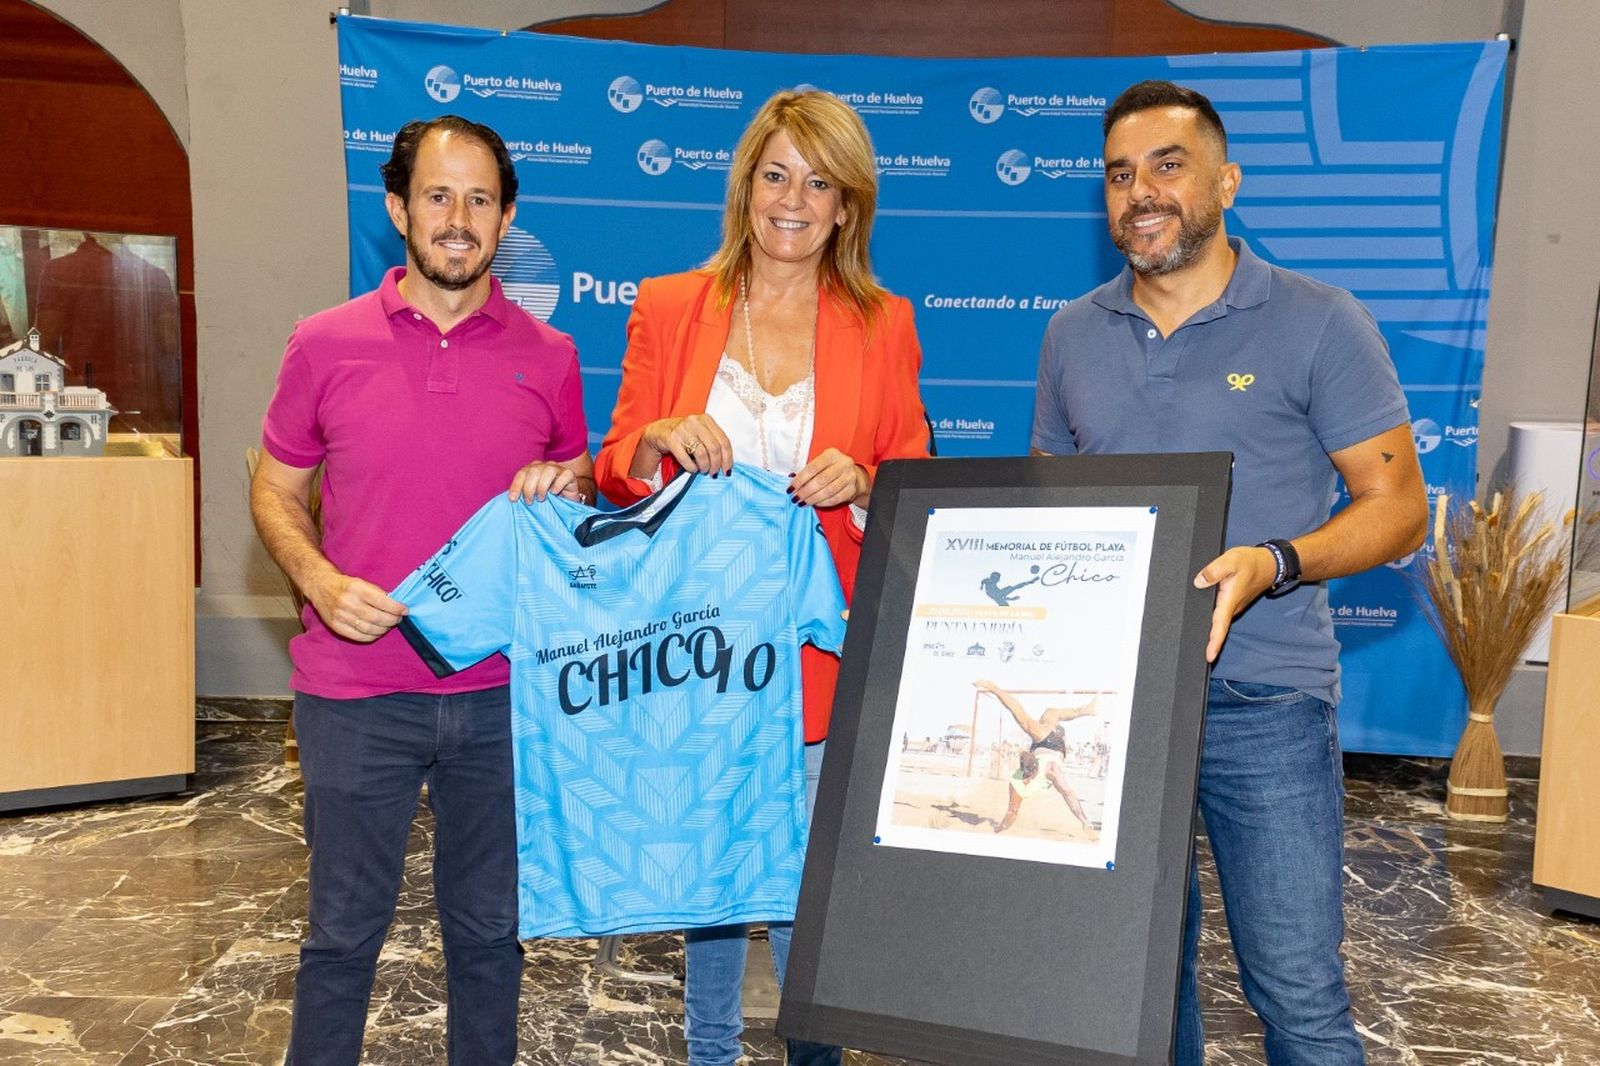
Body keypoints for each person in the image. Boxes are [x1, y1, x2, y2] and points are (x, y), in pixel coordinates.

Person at [1031, 81, 1428, 1066]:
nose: (1140, 192)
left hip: (1265, 699)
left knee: (1296, 993)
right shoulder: (1071, 333)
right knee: (1133, 993)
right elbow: (1047, 512)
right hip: (1111, 710)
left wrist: (1276, 561)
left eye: (1167, 166)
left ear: (1226, 182)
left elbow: (1398, 508)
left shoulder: (1318, 320)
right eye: (1119, 174)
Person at [594, 89, 930, 1066]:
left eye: (819, 183)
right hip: (694, 648)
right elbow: (614, 467)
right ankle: (709, 1052)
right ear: (746, 187)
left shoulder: (885, 322)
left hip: (819, 652)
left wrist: (864, 482)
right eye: (776, 175)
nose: (793, 200)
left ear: (847, 206)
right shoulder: (670, 306)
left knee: (802, 888)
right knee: (710, 882)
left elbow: (914, 479)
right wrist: (657, 438)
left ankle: (811, 1055)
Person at [251, 115, 594, 1066]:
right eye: (438, 196)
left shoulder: (552, 355)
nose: (458, 219)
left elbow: (577, 495)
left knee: (490, 938)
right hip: (355, 693)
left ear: (507, 218)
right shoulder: (322, 344)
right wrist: (319, 580)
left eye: (480, 200)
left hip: (502, 698)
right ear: (399, 209)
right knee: (340, 937)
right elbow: (275, 489)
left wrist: (568, 488)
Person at [971, 680, 1099, 837]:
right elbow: (1067, 793)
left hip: (1042, 746)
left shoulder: (1017, 781)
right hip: (1051, 746)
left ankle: (1086, 710)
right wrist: (1086, 822)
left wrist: (999, 828)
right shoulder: (1044, 773)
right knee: (1026, 719)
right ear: (1031, 776)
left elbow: (1012, 813)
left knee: (1048, 713)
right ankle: (994, 687)